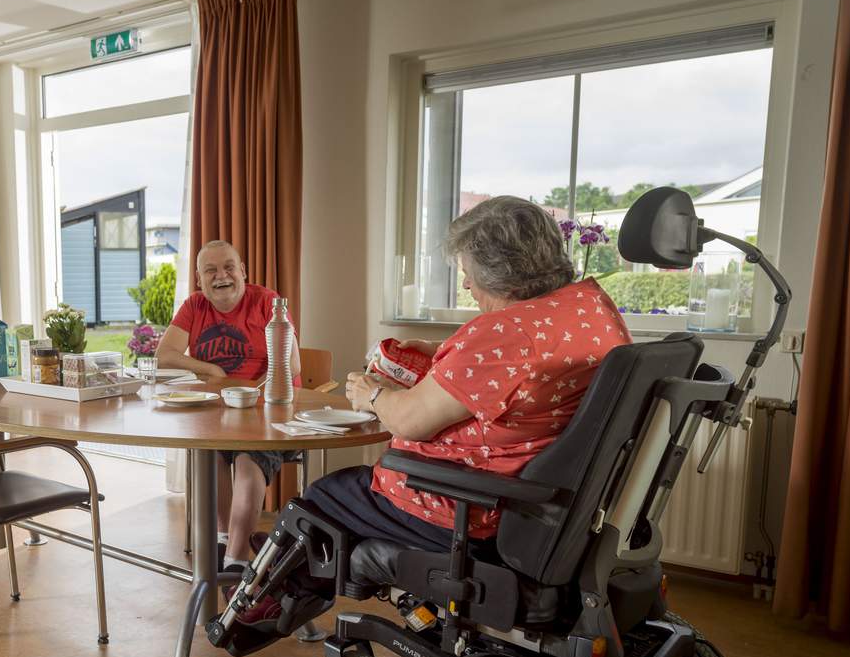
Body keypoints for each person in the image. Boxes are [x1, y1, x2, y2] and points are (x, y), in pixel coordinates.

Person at [245, 196, 632, 622]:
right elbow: (511, 377)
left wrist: (371, 394)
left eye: (468, 274)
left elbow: (408, 419)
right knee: (332, 505)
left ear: (502, 273)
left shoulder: (509, 333)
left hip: (467, 504)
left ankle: (260, 612)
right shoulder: (586, 308)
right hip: (538, 502)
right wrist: (441, 352)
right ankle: (290, 585)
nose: (466, 285)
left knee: (320, 502)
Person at [156, 239, 301, 568]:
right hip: (217, 410)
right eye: (211, 270)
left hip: (266, 408)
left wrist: (253, 391)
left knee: (249, 460)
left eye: (229, 267)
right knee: (210, 452)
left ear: (243, 271)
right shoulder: (195, 306)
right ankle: (224, 541)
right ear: (199, 279)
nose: (221, 276)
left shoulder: (267, 303)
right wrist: (209, 369)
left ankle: (235, 562)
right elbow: (164, 356)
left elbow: (292, 366)